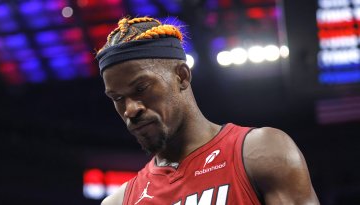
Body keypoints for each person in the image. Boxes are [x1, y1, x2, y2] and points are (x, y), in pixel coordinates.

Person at [96, 17, 319, 205]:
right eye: (117, 98)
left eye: (141, 88)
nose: (130, 110)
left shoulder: (262, 153)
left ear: (181, 76)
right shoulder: (119, 201)